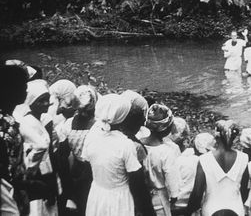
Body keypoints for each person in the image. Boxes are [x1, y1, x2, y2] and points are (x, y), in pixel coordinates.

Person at [82, 94, 153, 216]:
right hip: (119, 198)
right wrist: (149, 212)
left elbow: (87, 166)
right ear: (123, 117)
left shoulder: (92, 136)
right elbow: (138, 184)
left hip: (98, 193)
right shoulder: (125, 144)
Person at [187, 120, 249, 216]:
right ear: (234, 136)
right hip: (237, 210)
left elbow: (197, 194)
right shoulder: (243, 158)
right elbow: (244, 191)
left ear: (216, 136)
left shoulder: (204, 159)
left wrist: (188, 211)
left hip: (210, 210)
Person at [17, 79, 58, 216]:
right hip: (39, 176)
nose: (46, 104)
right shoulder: (29, 123)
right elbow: (35, 151)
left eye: (47, 99)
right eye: (41, 101)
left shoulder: (39, 120)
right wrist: (32, 172)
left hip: (46, 174)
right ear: (30, 102)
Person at [57, 85, 98, 216]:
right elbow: (63, 154)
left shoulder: (69, 124)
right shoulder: (97, 125)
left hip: (84, 171)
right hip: (86, 171)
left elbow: (63, 154)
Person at [141, 104, 181, 216]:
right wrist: (173, 199)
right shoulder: (167, 152)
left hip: (142, 195)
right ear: (166, 128)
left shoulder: (138, 144)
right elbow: (174, 187)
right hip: (160, 198)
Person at [0, 65, 29, 216]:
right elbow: (5, 169)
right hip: (8, 196)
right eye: (22, 86)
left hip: (17, 191)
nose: (26, 90)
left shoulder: (10, 118)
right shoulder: (3, 125)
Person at [173, 132, 215, 215]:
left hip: (178, 204)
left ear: (195, 147)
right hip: (201, 206)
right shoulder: (212, 163)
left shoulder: (182, 160)